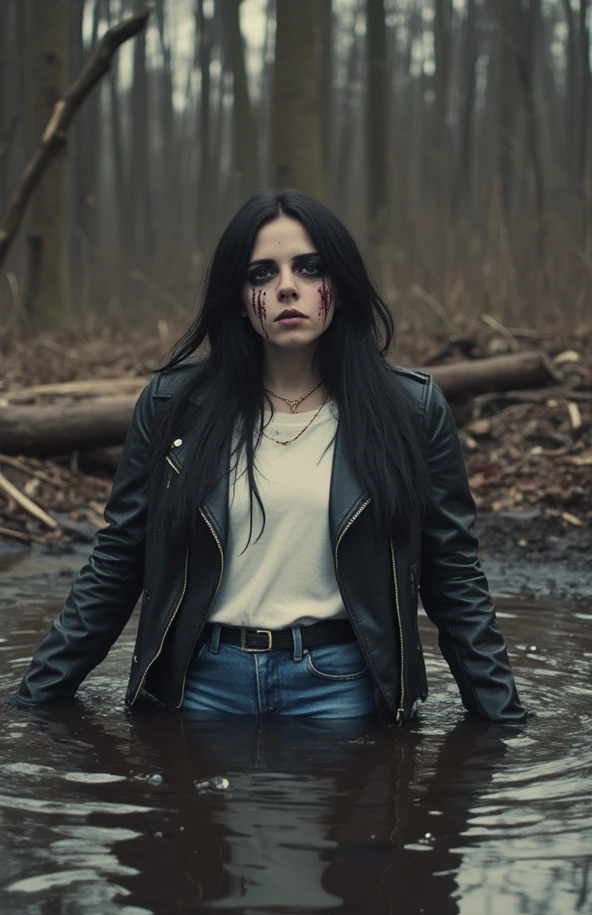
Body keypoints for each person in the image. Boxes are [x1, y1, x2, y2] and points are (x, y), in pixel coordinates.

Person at [15, 189, 526, 725]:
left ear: (341, 285)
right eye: (262, 274)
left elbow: (454, 576)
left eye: (309, 268)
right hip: (200, 686)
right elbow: (119, 558)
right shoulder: (175, 406)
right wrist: (33, 700)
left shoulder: (411, 410)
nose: (287, 288)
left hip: (344, 688)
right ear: (237, 296)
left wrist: (504, 724)